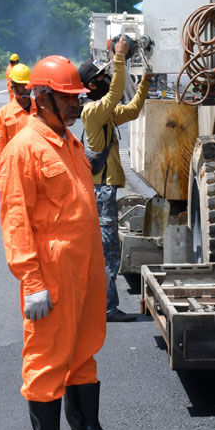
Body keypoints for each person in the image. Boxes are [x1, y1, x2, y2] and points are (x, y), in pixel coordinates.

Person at [0, 55, 130, 430]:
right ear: (42, 98)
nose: (76, 104)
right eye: (67, 97)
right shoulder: (25, 148)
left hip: (84, 264)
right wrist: (32, 281)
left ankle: (85, 429)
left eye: (77, 97)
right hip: (52, 269)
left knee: (84, 346)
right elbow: (16, 219)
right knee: (48, 350)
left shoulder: (69, 142)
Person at [78, 38, 150, 320]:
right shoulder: (93, 112)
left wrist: (145, 82)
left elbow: (131, 110)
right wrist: (119, 58)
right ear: (92, 85)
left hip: (104, 190)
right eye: (102, 77)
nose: (106, 79)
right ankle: (107, 307)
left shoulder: (103, 114)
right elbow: (116, 94)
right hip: (101, 191)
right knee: (108, 251)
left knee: (106, 250)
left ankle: (102, 304)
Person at [0, 60, 31, 186]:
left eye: (26, 85)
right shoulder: (4, 113)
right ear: (13, 86)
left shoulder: (41, 110)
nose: (25, 89)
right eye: (20, 85)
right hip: (14, 173)